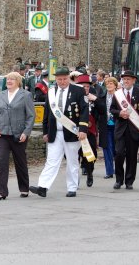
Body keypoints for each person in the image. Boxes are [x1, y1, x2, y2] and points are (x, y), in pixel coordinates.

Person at [29, 67, 89, 198]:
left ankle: (72, 187)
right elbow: (47, 113)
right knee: (51, 161)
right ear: (55, 79)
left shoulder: (78, 90)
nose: (62, 82)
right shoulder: (51, 92)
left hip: (72, 132)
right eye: (59, 79)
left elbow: (85, 110)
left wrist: (83, 129)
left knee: (72, 161)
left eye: (64, 79)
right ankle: (43, 187)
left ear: (69, 78)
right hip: (55, 132)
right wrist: (45, 132)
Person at [0, 72, 35, 201]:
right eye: (8, 79)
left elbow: (30, 116)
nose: (9, 81)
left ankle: (24, 188)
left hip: (18, 134)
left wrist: (26, 132)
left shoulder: (25, 95)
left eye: (12, 79)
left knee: (20, 162)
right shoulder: (1, 94)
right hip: (3, 134)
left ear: (18, 81)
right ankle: (1, 192)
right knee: (2, 162)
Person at [110, 70, 139, 190]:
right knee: (118, 154)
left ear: (134, 80)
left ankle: (129, 181)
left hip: (134, 128)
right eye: (124, 79)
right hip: (120, 129)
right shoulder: (118, 94)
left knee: (132, 156)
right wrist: (119, 113)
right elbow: (112, 109)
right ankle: (118, 180)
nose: (126, 81)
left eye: (128, 79)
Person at [75, 74, 106, 187]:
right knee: (76, 155)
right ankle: (75, 180)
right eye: (83, 86)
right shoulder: (75, 98)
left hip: (91, 131)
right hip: (76, 130)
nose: (86, 88)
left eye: (87, 86)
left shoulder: (93, 98)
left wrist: (96, 100)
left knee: (91, 155)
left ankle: (89, 174)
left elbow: (103, 110)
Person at [102, 77, 119, 179]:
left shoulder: (119, 96)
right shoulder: (102, 96)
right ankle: (109, 171)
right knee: (107, 148)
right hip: (106, 126)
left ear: (115, 85)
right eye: (107, 83)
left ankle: (118, 170)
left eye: (111, 83)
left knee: (117, 149)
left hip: (117, 126)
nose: (109, 85)